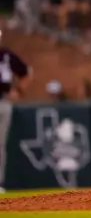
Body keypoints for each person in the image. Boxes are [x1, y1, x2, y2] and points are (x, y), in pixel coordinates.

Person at [0, 31, 33, 193]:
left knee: (0, 145)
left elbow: (26, 71)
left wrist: (18, 91)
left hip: (3, 101)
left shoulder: (5, 55)